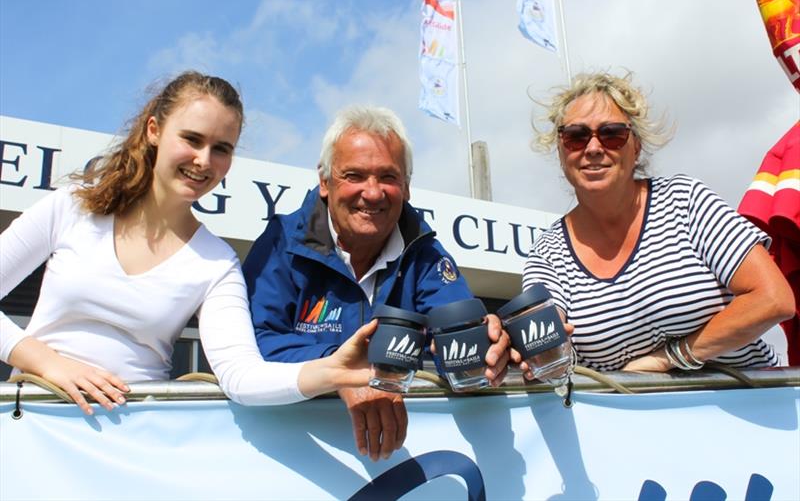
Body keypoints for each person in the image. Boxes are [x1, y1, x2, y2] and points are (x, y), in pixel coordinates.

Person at [0, 71, 375, 416]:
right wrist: (49, 363)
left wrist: (330, 371)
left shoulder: (217, 262)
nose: (203, 160)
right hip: (35, 425)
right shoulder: (70, 206)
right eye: (192, 139)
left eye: (221, 148)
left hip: (131, 438)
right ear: (153, 130)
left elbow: (239, 374)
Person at [243, 105, 511, 461]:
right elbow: (255, 344)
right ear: (324, 181)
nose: (372, 193)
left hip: (399, 463)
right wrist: (340, 374)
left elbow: (456, 334)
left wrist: (482, 349)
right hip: (294, 458)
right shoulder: (281, 243)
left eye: (388, 176)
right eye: (354, 175)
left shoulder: (425, 253)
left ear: (407, 186)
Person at [520, 71, 794, 375]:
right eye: (576, 136)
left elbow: (773, 300)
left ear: (635, 146)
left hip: (748, 404)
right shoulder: (548, 253)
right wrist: (515, 344)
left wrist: (671, 357)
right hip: (630, 420)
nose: (594, 147)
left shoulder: (685, 201)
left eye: (612, 133)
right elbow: (544, 343)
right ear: (560, 150)